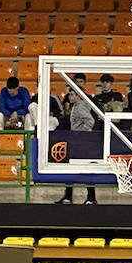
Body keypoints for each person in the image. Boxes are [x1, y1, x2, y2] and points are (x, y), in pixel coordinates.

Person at [55, 74, 98, 205]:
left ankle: (90, 197)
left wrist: (81, 133)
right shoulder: (77, 106)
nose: (69, 97)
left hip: (82, 142)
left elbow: (90, 121)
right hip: (78, 141)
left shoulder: (80, 107)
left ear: (78, 95)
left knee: (84, 168)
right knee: (71, 168)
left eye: (72, 95)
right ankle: (70, 196)